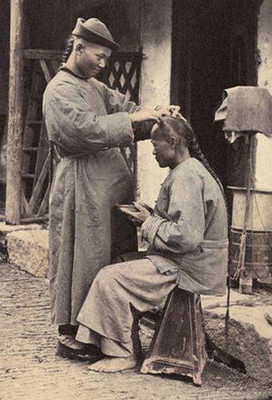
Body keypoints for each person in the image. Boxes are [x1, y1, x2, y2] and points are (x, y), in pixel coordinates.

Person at [43, 17, 174, 359]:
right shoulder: (60, 89)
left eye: (107, 59)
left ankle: (106, 332)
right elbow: (82, 130)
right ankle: (73, 334)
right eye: (98, 56)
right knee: (82, 257)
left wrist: (155, 115)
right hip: (82, 186)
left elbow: (128, 112)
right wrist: (130, 120)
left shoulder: (95, 87)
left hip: (111, 188)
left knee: (111, 256)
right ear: (79, 47)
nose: (103, 64)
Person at [74, 116, 229, 373]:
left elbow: (187, 237)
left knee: (109, 278)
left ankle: (122, 354)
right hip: (186, 260)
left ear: (173, 142)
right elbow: (181, 224)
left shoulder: (187, 176)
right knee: (120, 263)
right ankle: (119, 342)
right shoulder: (186, 171)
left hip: (188, 267)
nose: (153, 150)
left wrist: (148, 223)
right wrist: (151, 216)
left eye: (156, 145)